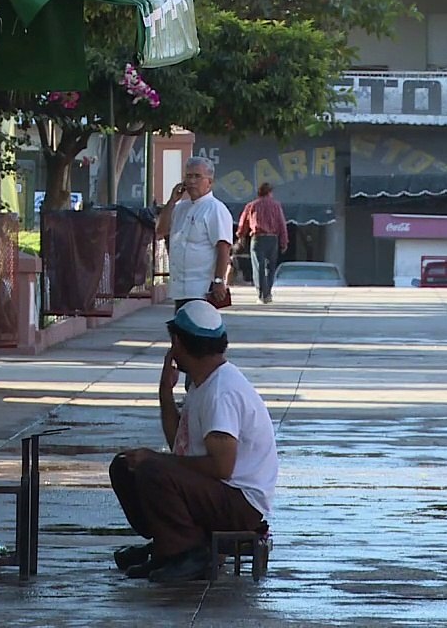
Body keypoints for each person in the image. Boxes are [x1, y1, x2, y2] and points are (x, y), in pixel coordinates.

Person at [109, 301, 279, 582]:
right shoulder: (204, 381)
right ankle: (169, 545)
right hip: (219, 493)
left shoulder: (221, 392)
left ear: (177, 342)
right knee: (127, 467)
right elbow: (181, 444)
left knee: (152, 469)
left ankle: (187, 553)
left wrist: (155, 459)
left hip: (240, 504)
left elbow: (222, 467)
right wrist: (165, 393)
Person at [156, 156, 234, 309]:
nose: (191, 181)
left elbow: (223, 247)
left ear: (209, 182)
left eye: (197, 176)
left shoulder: (215, 209)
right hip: (180, 289)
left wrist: (219, 281)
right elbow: (161, 230)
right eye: (188, 176)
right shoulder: (180, 208)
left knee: (197, 330)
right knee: (180, 331)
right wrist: (171, 202)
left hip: (201, 289)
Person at [237, 182, 290, 304]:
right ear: (270, 192)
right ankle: (268, 293)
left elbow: (243, 222)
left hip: (258, 238)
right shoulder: (276, 206)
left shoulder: (252, 205)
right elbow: (282, 224)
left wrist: (241, 236)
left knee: (258, 267)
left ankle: (261, 294)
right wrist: (284, 241)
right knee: (270, 267)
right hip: (272, 239)